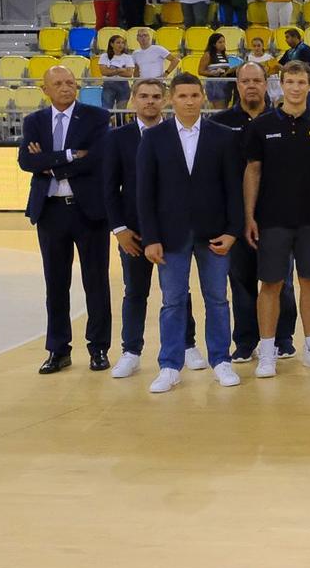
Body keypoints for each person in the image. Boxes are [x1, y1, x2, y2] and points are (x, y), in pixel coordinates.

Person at [134, 73, 244, 393]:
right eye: (182, 96)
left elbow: (233, 189)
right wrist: (151, 237)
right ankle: (169, 365)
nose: (189, 101)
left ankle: (221, 360)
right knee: (173, 301)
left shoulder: (222, 136)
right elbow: (145, 193)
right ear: (172, 99)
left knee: (218, 300)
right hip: (170, 236)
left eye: (195, 95)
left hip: (214, 235)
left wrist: (233, 232)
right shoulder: (154, 138)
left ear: (204, 98)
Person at [241, 61, 310, 377]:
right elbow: (252, 171)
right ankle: (268, 352)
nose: (296, 88)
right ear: (281, 85)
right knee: (270, 284)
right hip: (272, 219)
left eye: (302, 82)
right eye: (290, 82)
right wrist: (249, 216)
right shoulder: (262, 126)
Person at [18, 65, 113, 374]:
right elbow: (26, 160)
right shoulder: (34, 121)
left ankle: (98, 348)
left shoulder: (97, 117)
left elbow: (97, 158)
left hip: (88, 211)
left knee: (95, 282)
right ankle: (58, 350)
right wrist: (71, 155)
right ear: (45, 89)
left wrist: (48, 162)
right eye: (57, 83)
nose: (65, 88)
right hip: (51, 211)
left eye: (70, 82)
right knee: (55, 284)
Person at [102, 78, 196, 378]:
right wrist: (119, 229)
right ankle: (131, 351)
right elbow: (109, 188)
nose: (150, 101)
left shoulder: (178, 134)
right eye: (143, 96)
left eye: (156, 96)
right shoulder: (117, 138)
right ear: (132, 100)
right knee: (135, 291)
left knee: (180, 292)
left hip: (172, 229)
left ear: (166, 100)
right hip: (134, 232)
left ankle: (188, 344)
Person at [213, 62, 295, 364]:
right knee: (241, 280)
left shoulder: (283, 119)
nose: (251, 86)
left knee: (281, 280)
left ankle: (282, 338)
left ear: (266, 84)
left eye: (256, 81)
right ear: (237, 84)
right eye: (245, 80)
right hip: (235, 216)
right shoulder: (220, 123)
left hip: (277, 214)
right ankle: (246, 341)